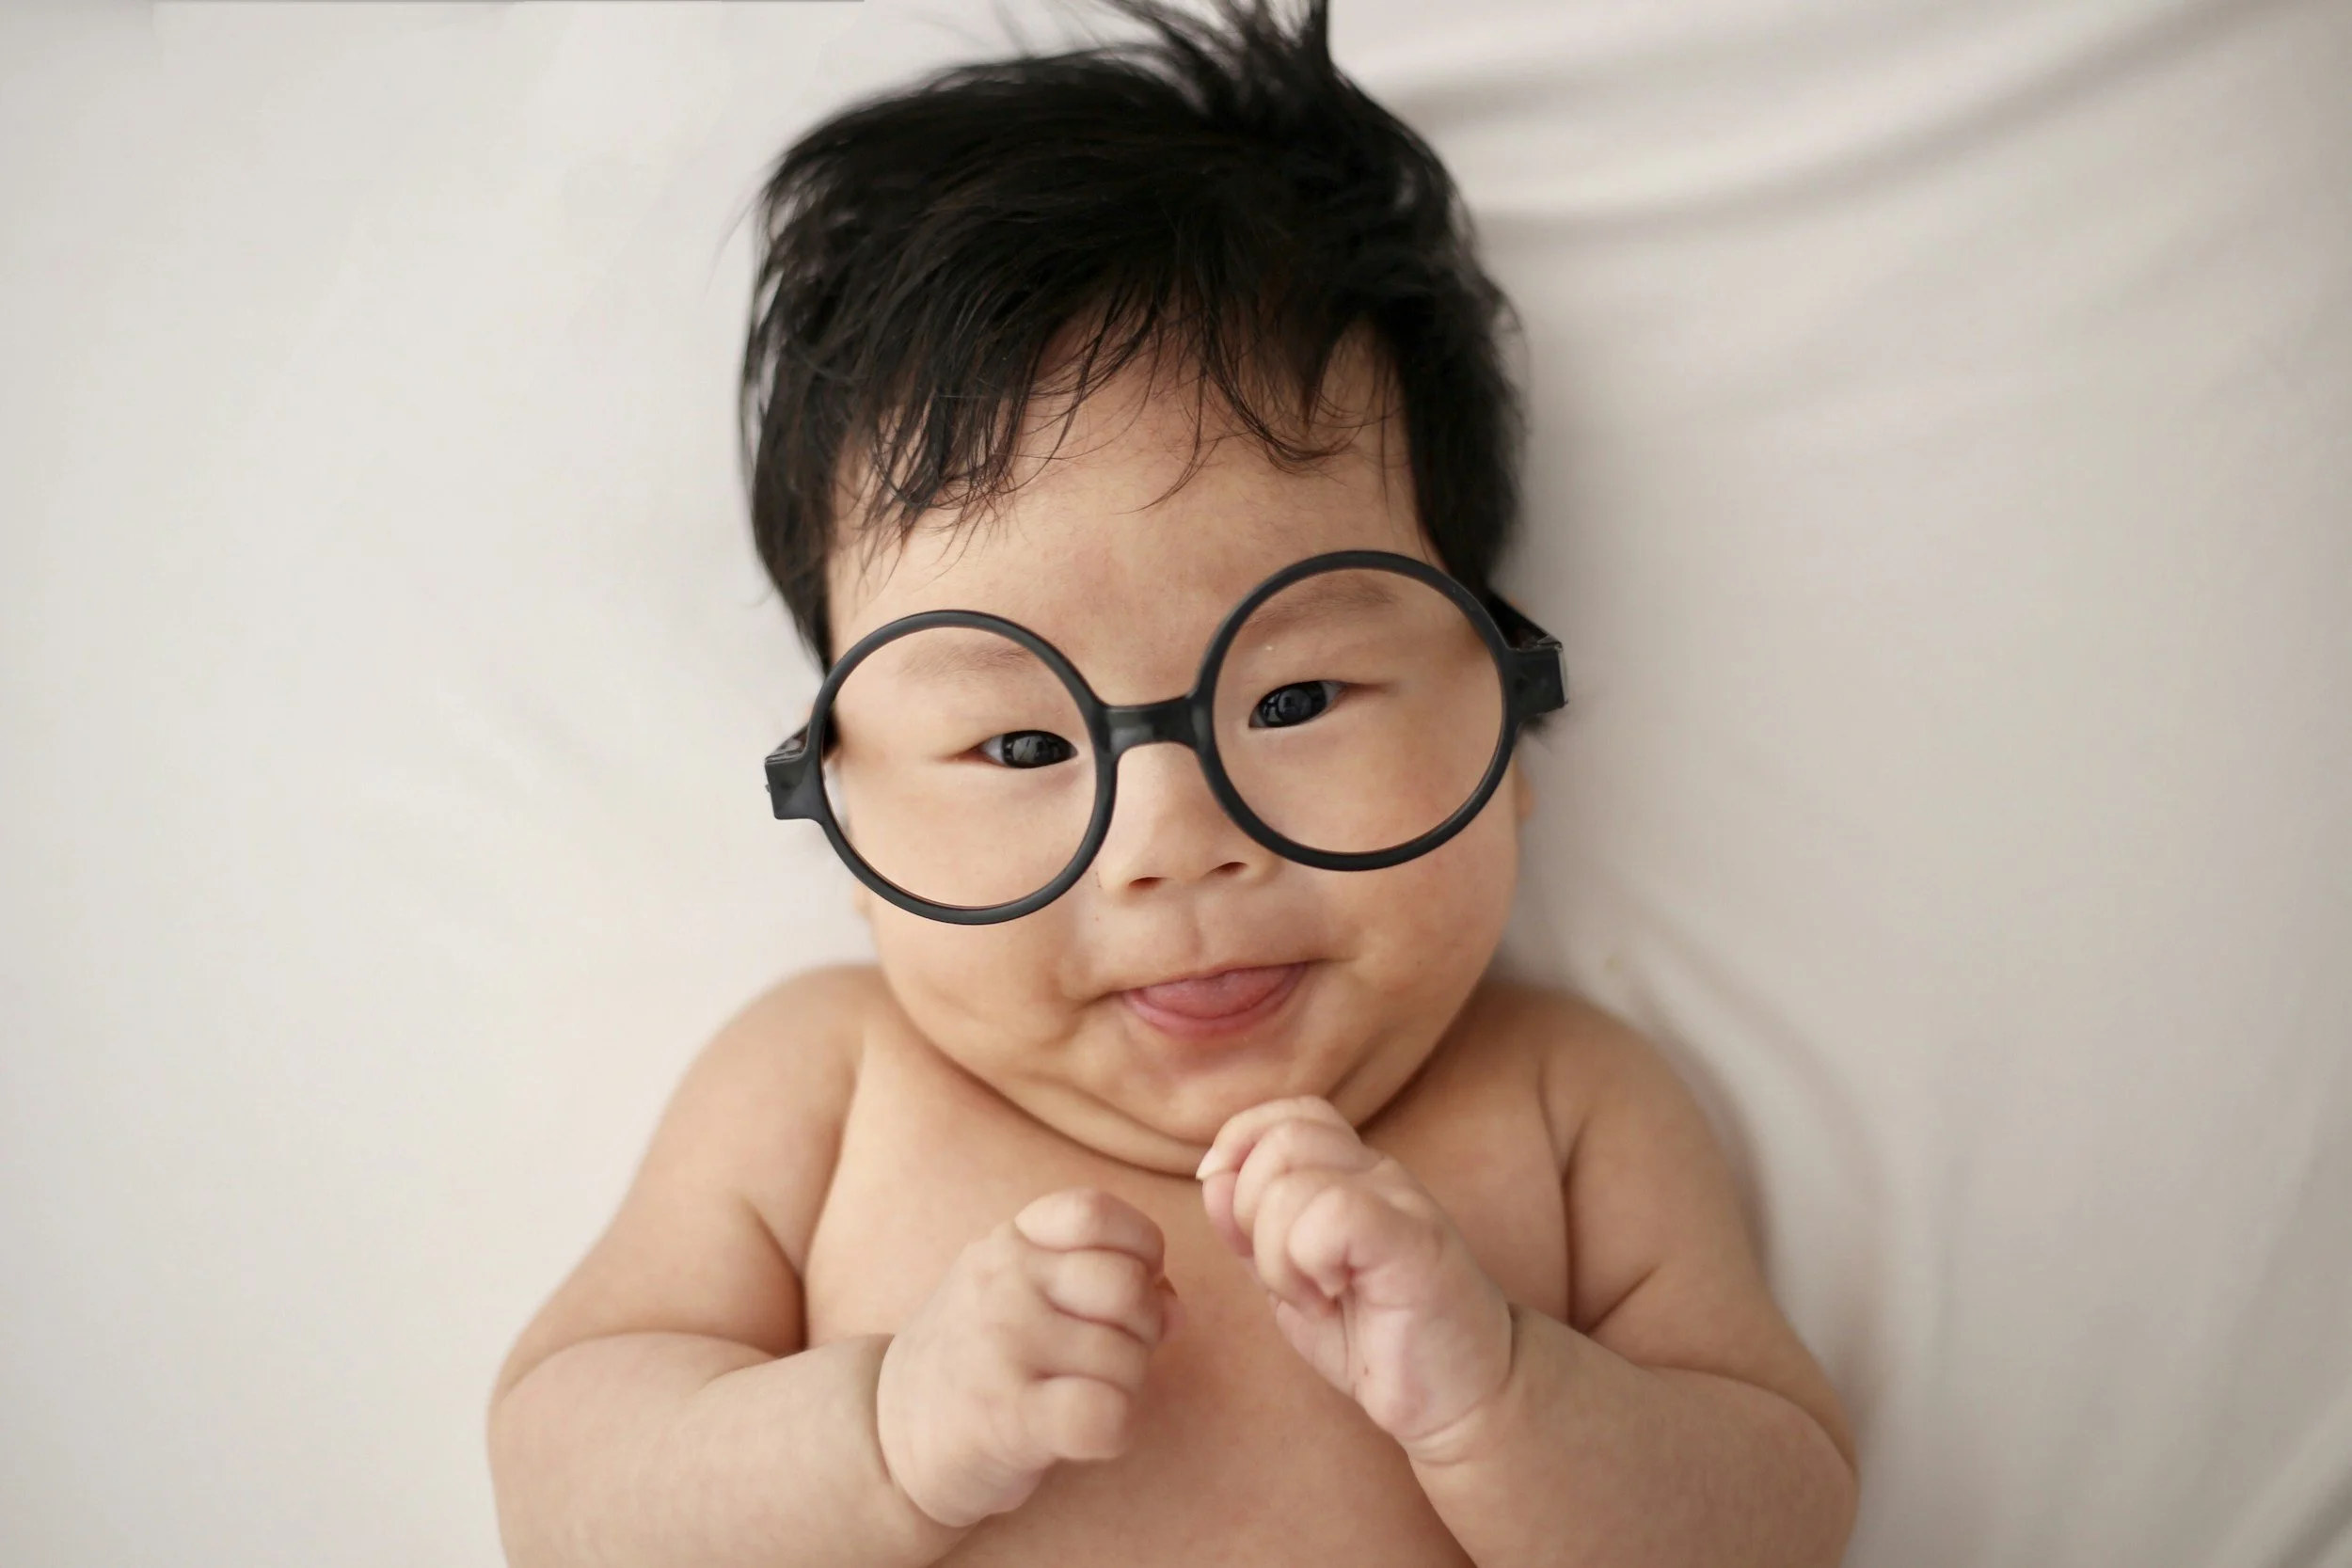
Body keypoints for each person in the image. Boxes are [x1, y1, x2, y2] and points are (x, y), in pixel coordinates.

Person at [485, 3, 1856, 1562]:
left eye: (1292, 696)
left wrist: (1504, 1394)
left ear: (1503, 702)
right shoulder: (824, 1087)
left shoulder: (1566, 1106)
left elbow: (1782, 1512)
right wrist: (881, 1433)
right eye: (1019, 744)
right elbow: (563, 1484)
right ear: (850, 804)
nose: (1170, 844)